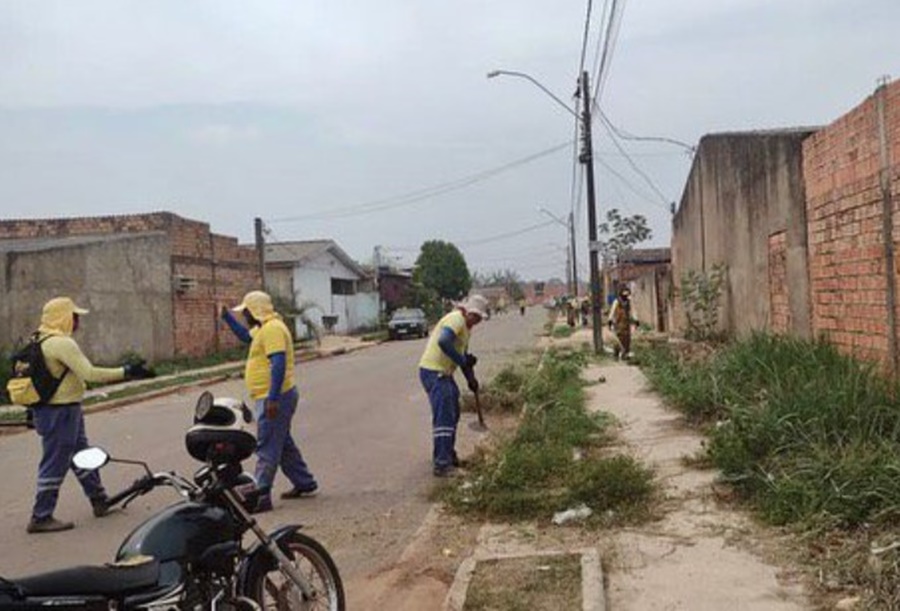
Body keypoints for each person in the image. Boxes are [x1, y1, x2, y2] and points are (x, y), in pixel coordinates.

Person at [26, 296, 156, 534]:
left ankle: (99, 499)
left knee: (82, 454)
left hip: (56, 409)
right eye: (74, 316)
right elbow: (90, 373)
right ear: (63, 317)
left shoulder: (39, 339)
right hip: (61, 411)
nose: (77, 322)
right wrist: (127, 371)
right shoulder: (61, 343)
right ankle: (41, 515)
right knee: (55, 462)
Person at [221, 291, 318, 513]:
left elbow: (278, 363)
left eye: (245, 311)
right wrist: (227, 317)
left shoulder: (273, 329)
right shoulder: (264, 328)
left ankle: (260, 496)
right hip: (269, 396)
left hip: (274, 396)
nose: (244, 315)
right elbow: (246, 337)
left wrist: (272, 399)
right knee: (282, 444)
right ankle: (305, 482)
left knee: (267, 446)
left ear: (255, 310)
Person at [418, 295, 487, 477]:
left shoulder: (466, 328)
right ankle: (442, 464)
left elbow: (463, 356)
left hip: (444, 373)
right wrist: (462, 360)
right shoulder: (456, 319)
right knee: (445, 416)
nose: (477, 322)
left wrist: (471, 379)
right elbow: (444, 342)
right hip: (434, 372)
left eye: (480, 319)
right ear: (468, 312)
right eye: (476, 317)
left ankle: (448, 454)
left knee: (453, 412)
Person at [608, 286, 638, 360]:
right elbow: (612, 311)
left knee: (627, 338)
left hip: (626, 323)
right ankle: (616, 353)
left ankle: (625, 354)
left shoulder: (629, 302)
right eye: (624, 293)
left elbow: (633, 310)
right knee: (619, 338)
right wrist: (610, 320)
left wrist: (636, 320)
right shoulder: (616, 302)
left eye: (627, 294)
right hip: (618, 323)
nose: (626, 295)